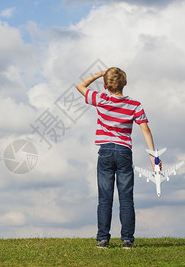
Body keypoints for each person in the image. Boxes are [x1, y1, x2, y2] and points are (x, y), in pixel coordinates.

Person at [76, 67, 160, 249]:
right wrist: (154, 158)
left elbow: (80, 85)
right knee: (126, 198)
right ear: (125, 84)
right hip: (124, 152)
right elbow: (145, 130)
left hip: (105, 152)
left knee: (105, 198)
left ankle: (103, 239)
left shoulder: (101, 99)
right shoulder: (135, 105)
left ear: (105, 85)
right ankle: (127, 240)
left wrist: (99, 74)